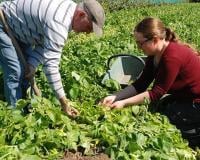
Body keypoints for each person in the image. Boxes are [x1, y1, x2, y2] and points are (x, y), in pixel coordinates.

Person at [101, 17, 200, 147]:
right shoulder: (154, 55)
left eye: (140, 43)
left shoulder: (172, 57)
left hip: (196, 102)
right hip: (184, 96)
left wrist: (123, 103)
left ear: (154, 39)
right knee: (163, 108)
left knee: (171, 122)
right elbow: (141, 83)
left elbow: (156, 93)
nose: (138, 47)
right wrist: (115, 96)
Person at [0, 0, 105, 117]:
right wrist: (63, 102)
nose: (87, 33)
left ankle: (25, 110)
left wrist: (32, 64)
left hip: (24, 30)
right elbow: (50, 66)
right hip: (4, 22)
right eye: (89, 27)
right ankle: (15, 118)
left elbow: (44, 42)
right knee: (16, 72)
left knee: (26, 72)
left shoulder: (69, 12)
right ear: (81, 15)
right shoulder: (59, 21)